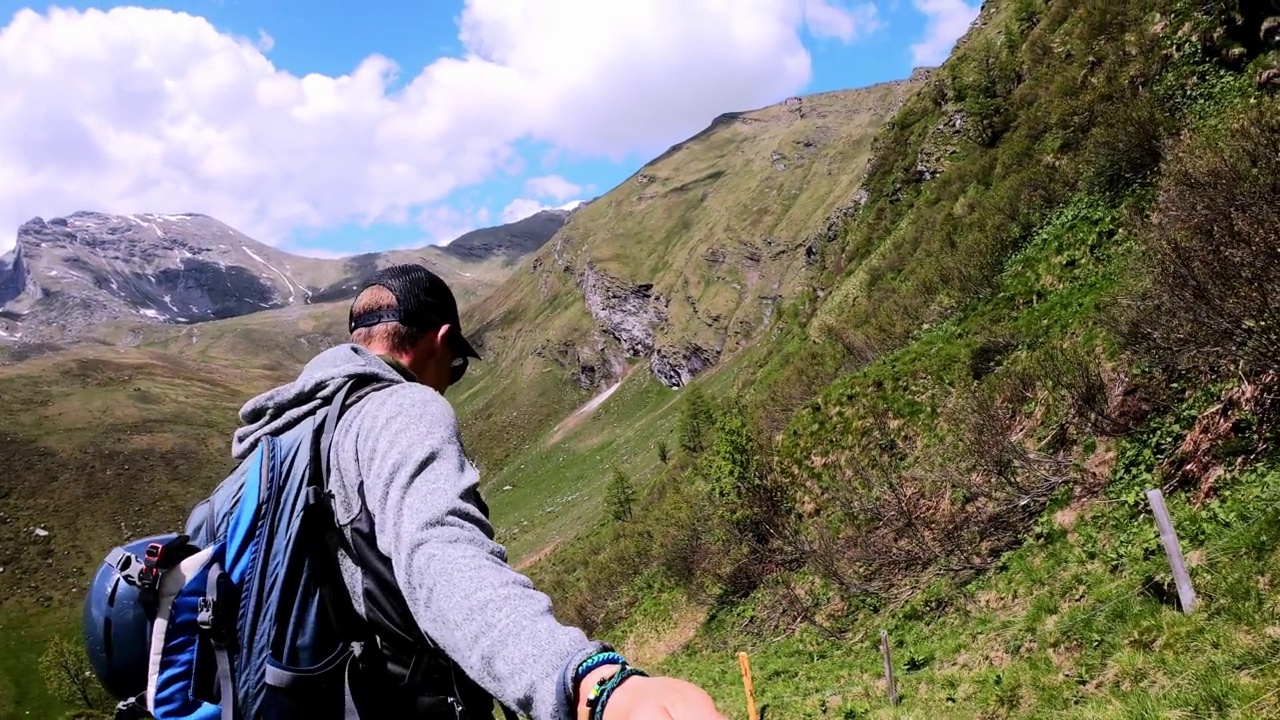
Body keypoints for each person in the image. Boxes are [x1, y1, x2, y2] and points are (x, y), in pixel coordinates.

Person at [229, 263, 727, 720]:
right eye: (455, 365)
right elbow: (441, 558)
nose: (448, 383)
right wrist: (588, 681)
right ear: (437, 341)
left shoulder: (279, 441)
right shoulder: (401, 408)